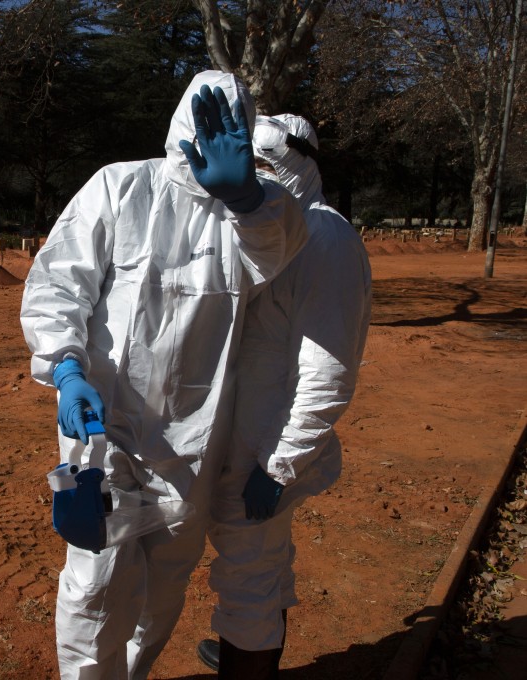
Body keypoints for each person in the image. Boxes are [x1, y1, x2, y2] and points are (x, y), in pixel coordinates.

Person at [19, 70, 308, 680]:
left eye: (228, 131)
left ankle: (135, 671)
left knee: (165, 587)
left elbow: (276, 253)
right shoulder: (122, 188)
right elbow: (58, 284)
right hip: (104, 425)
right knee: (93, 583)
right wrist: (66, 367)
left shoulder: (260, 211)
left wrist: (245, 198)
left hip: (193, 443)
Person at [197, 113, 372, 677]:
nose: (259, 179)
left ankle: (249, 657)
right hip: (239, 440)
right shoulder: (271, 233)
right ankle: (247, 647)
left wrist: (279, 466)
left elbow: (329, 372)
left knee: (252, 573)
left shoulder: (324, 237)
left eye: (269, 166)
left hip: (265, 447)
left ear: (300, 166)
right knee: (258, 569)